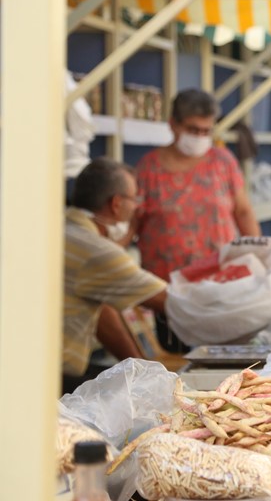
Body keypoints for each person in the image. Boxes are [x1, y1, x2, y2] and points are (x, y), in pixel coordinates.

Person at [135, 89, 260, 351]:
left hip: (218, 287)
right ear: (173, 124)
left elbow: (244, 212)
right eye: (193, 130)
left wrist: (260, 258)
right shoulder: (148, 168)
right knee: (177, 362)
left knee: (220, 359)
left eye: (206, 131)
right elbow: (132, 222)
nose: (200, 137)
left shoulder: (222, 162)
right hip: (168, 294)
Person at [63, 158, 167, 393]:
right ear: (117, 203)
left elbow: (103, 311)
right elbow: (170, 302)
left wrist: (141, 370)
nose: (137, 207)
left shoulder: (67, 230)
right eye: (134, 199)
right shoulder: (95, 250)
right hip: (54, 376)